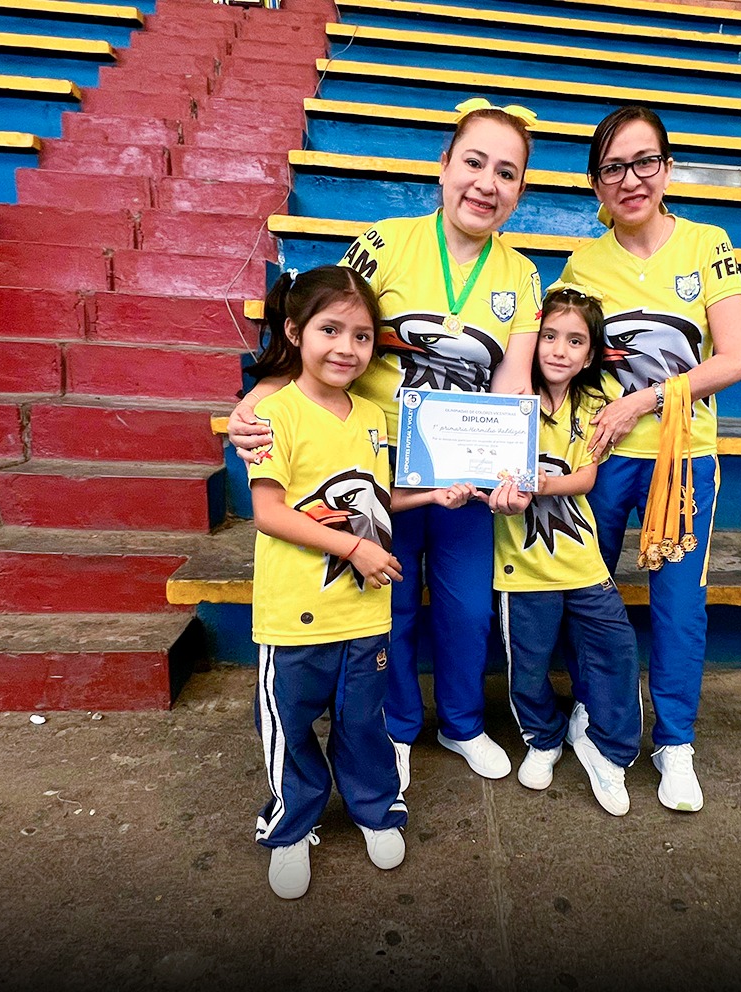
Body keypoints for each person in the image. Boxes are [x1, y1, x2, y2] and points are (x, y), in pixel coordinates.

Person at [229, 99, 543, 787]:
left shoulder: (521, 274)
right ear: (444, 165)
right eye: (474, 162)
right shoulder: (386, 241)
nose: (487, 184)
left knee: (466, 607)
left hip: (463, 474)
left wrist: (515, 471)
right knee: (389, 603)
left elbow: (514, 383)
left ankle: (462, 723)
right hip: (375, 462)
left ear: (520, 190)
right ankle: (395, 726)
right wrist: (257, 400)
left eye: (507, 173)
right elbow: (327, 321)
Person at [559, 106, 741, 813]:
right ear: (596, 183)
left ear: (666, 168)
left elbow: (735, 359)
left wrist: (642, 401)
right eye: (613, 167)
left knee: (677, 604)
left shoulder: (706, 243)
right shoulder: (584, 264)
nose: (631, 179)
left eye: (644, 162)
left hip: (682, 458)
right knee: (589, 590)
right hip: (603, 456)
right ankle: (592, 712)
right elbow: (564, 357)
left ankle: (675, 743)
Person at [247, 265, 408, 900]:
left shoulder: (371, 415)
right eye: (330, 330)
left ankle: (376, 809)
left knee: (363, 721)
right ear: (294, 332)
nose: (347, 348)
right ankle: (292, 825)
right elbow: (269, 511)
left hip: (364, 610)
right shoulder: (272, 413)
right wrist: (354, 548)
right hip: (295, 613)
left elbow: (379, 497)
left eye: (362, 336)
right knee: (290, 727)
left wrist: (438, 495)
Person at [489, 283, 642, 816]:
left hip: (581, 559)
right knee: (528, 664)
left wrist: (541, 485)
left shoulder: (597, 403)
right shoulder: (507, 399)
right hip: (522, 564)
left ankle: (609, 749)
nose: (559, 350)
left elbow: (586, 477)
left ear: (591, 354)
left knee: (616, 649)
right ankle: (542, 738)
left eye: (575, 341)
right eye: (549, 336)